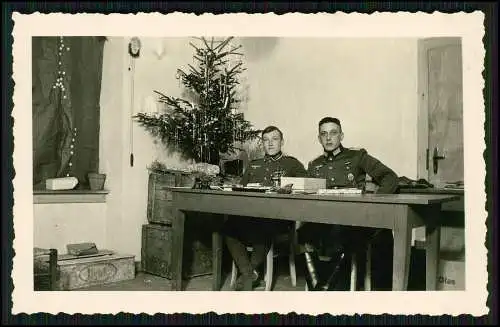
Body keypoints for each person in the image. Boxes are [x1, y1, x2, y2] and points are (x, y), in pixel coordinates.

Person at [298, 116, 399, 291]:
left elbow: (390, 177)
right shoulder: (314, 164)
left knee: (345, 233)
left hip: (352, 219)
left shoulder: (357, 156)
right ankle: (317, 283)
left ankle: (330, 286)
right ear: (319, 138)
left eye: (333, 133)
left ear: (341, 136)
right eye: (324, 134)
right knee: (300, 233)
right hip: (322, 219)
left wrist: (375, 203)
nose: (328, 138)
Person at [221, 125, 307, 291]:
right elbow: (241, 189)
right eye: (266, 140)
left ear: (282, 142)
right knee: (228, 227)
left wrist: (290, 188)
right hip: (251, 216)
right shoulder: (254, 165)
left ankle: (247, 274)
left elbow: (307, 185)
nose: (270, 143)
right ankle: (249, 273)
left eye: (274, 139)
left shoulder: (292, 164)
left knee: (265, 224)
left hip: (279, 219)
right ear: (262, 144)